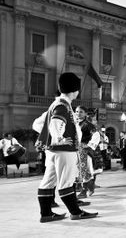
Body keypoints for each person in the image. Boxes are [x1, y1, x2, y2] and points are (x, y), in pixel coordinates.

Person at [35, 72, 97, 222]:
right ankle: (76, 212)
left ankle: (46, 213)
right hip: (64, 150)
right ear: (75, 91)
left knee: (48, 181)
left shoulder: (55, 104)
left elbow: (37, 124)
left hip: (52, 152)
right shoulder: (63, 105)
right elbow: (56, 122)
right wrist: (59, 138)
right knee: (66, 181)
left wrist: (50, 138)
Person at [75, 106, 98, 199]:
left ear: (85, 113)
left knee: (85, 170)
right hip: (74, 150)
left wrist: (88, 145)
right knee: (77, 170)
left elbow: (96, 135)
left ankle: (84, 191)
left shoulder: (88, 125)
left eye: (81, 112)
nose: (78, 113)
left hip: (84, 151)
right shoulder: (73, 123)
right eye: (76, 111)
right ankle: (88, 187)